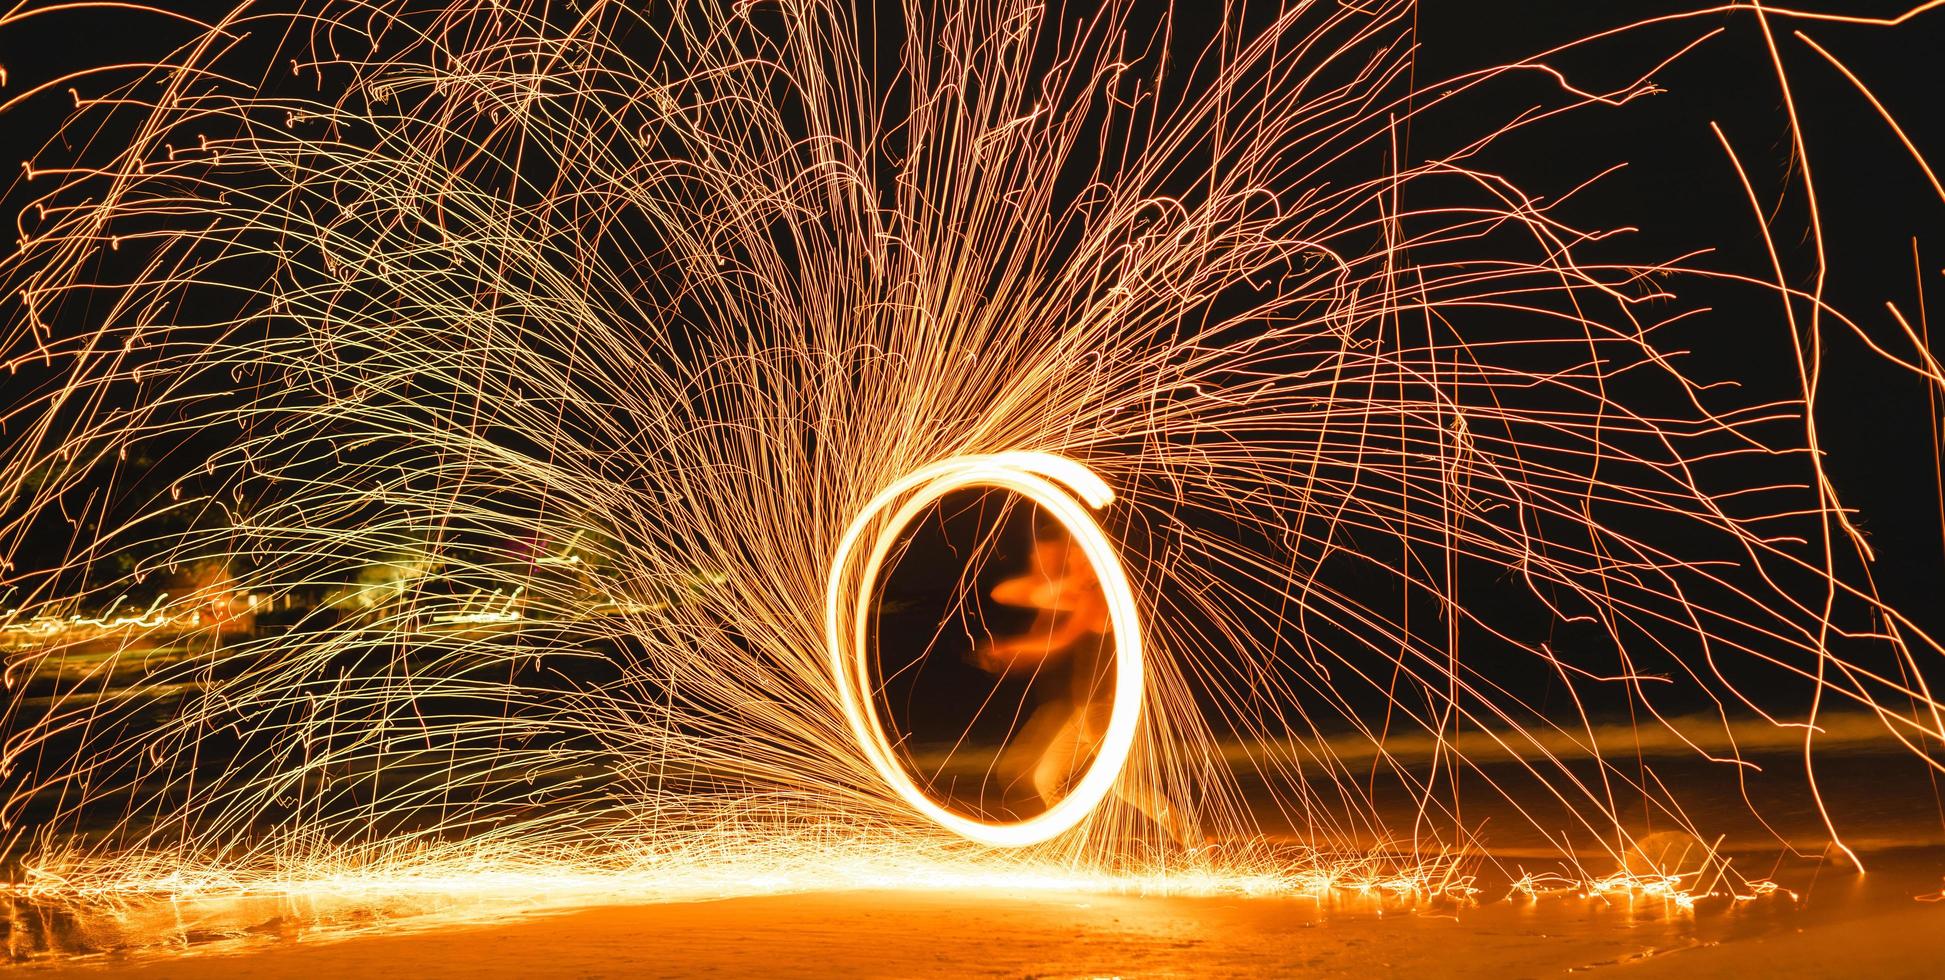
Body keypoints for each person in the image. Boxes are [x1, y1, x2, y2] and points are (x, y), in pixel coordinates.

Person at [968, 520, 1195, 846]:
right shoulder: (1083, 594)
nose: (1073, 563)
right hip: (1084, 709)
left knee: (1124, 786)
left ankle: (1190, 838)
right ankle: (1076, 850)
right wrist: (1054, 584)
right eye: (1073, 558)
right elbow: (1003, 593)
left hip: (1102, 708)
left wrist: (1009, 647)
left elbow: (1060, 640)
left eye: (1080, 559)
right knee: (1046, 778)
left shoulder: (1098, 598)